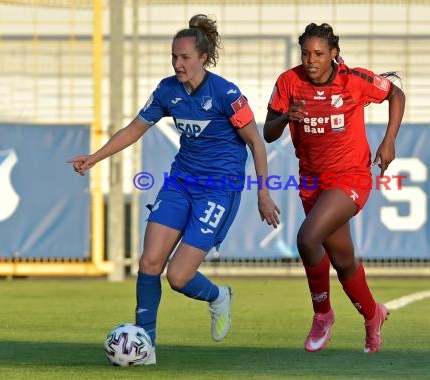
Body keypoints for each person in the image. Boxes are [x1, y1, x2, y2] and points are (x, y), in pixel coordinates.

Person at [69, 14, 280, 365]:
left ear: (203, 57)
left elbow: (257, 143)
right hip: (180, 182)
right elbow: (134, 129)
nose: (177, 64)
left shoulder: (226, 94)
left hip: (217, 190)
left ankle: (218, 296)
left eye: (184, 57)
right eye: (173, 57)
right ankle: (145, 347)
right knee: (149, 261)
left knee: (178, 277)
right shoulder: (168, 90)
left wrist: (263, 193)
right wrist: (95, 157)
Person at [263, 22, 405, 353]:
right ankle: (373, 315)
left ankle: (322, 314)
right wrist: (286, 118)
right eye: (305, 53)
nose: (311, 60)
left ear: (333, 55)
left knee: (307, 238)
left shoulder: (353, 80)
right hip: (312, 182)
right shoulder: (289, 82)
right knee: (343, 260)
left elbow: (396, 93)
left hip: (352, 177)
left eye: (318, 54)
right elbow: (269, 132)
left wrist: (389, 141)